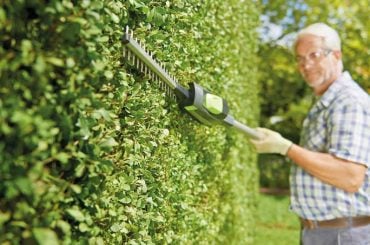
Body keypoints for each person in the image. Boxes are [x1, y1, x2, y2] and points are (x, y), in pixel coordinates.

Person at [250, 23, 370, 245]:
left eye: (314, 55)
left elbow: (350, 176)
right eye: (300, 58)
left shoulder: (348, 102)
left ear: (336, 55)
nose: (306, 64)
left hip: (344, 236)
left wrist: (285, 148)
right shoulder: (326, 103)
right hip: (321, 232)